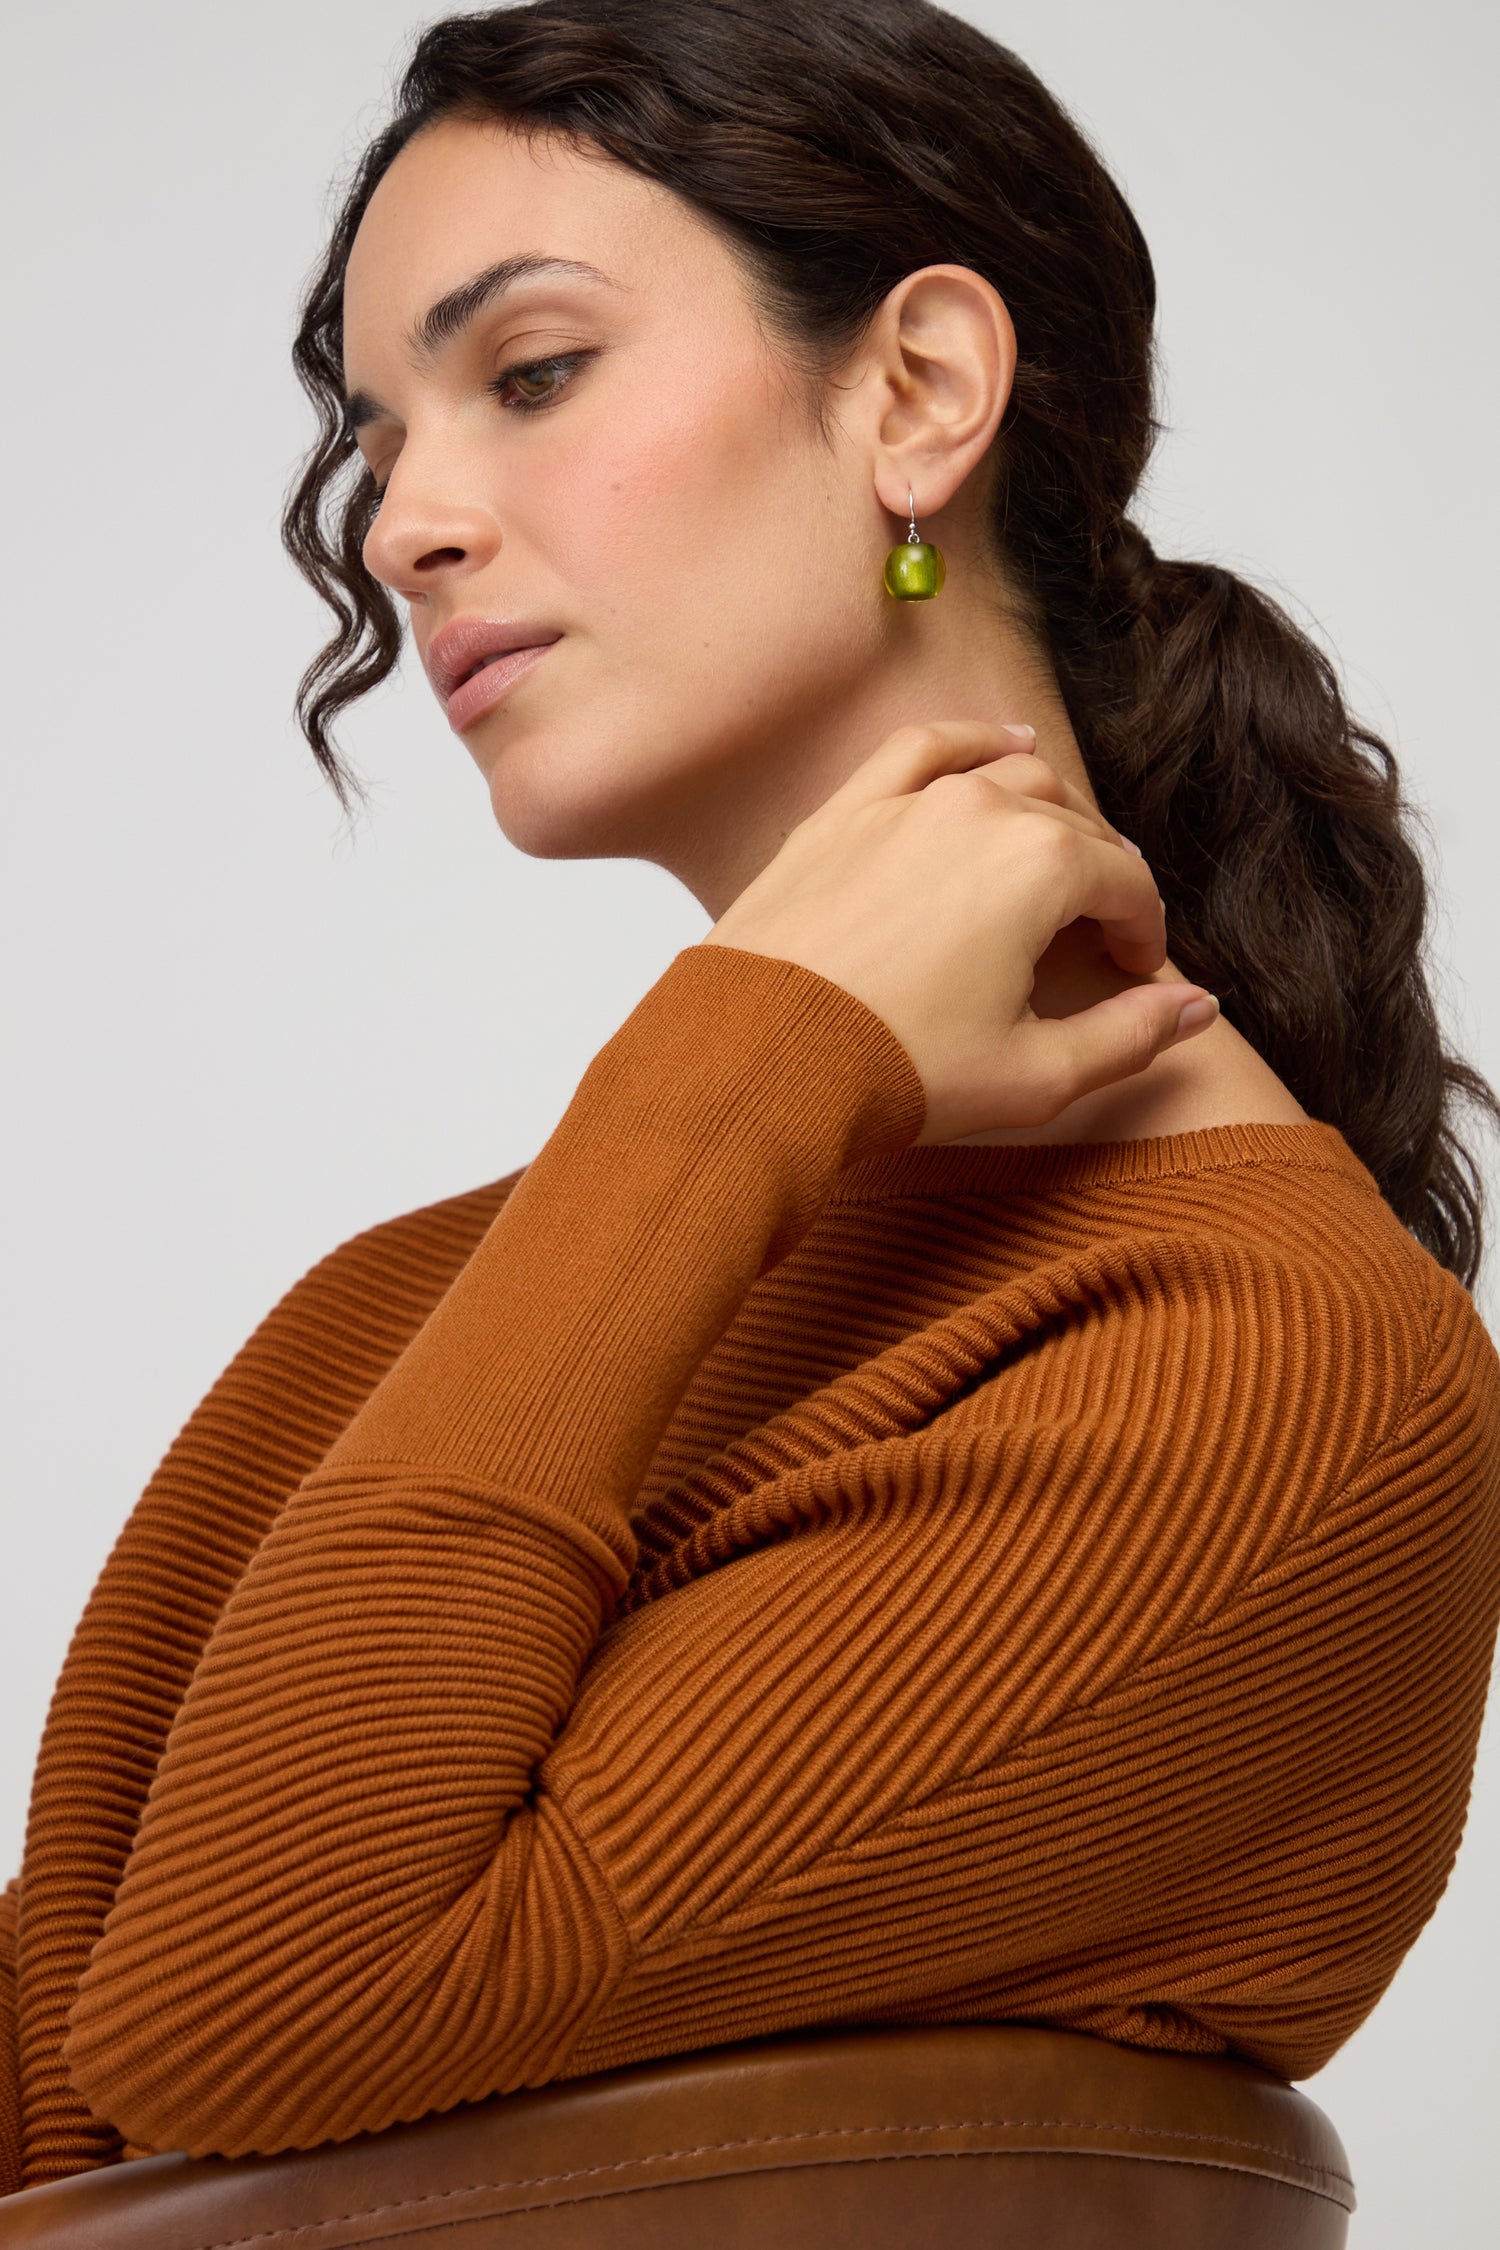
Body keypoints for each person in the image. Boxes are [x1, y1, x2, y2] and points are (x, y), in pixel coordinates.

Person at [4, 0, 1498, 2194]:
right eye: (378, 437)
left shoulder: (1276, 1367)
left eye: (529, 374)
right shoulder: (410, 1308)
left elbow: (253, 2014)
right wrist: (742, 1084)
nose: (407, 524)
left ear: (915, 393)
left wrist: (742, 1057)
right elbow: (65, 2127)